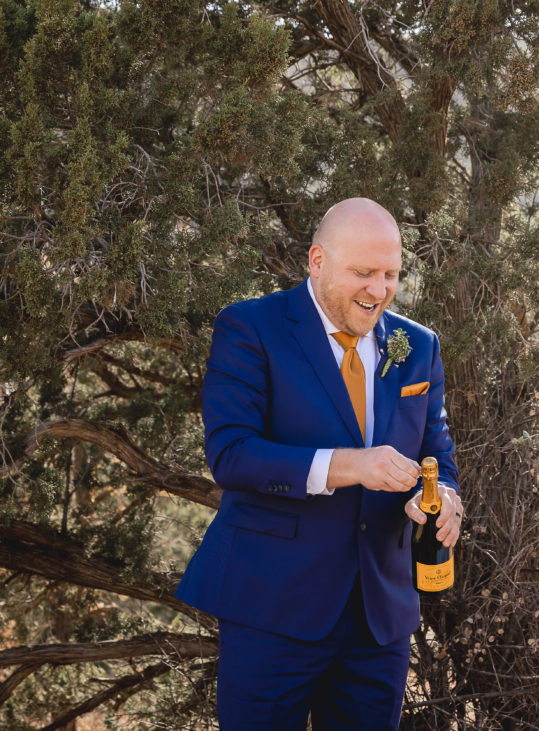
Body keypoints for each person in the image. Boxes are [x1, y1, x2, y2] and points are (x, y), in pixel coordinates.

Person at [176, 198, 462, 730]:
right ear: (317, 261)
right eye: (362, 273)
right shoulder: (251, 327)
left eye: (390, 274)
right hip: (272, 606)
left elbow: (437, 455)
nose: (378, 290)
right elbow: (232, 453)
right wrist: (349, 465)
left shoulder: (418, 346)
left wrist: (447, 498)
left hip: (380, 617)